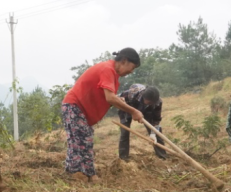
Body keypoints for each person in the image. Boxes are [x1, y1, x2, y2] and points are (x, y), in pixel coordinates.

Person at [61, 48, 144, 183]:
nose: (131, 71)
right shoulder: (108, 69)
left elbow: (108, 97)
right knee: (78, 142)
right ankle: (76, 174)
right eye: (132, 67)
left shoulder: (112, 73)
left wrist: (117, 100)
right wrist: (133, 111)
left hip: (80, 109)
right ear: (124, 61)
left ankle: (87, 173)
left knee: (85, 141)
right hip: (75, 106)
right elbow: (109, 98)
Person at [118, 84, 167, 161]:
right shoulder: (132, 93)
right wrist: (132, 112)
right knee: (125, 133)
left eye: (152, 103)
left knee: (157, 133)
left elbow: (156, 120)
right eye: (149, 102)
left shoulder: (157, 103)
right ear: (144, 97)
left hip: (146, 111)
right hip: (127, 109)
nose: (151, 103)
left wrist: (153, 133)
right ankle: (123, 158)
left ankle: (162, 156)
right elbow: (116, 98)